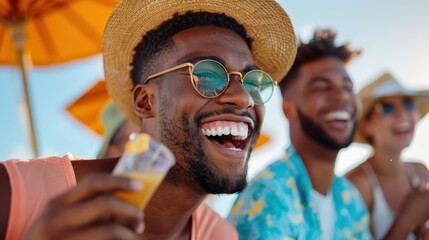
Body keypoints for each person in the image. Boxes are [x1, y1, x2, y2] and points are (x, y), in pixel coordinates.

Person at [0, 0, 297, 239]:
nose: (243, 97)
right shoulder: (15, 193)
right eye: (206, 74)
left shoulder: (219, 235)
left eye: (252, 81)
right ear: (145, 101)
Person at [228, 29, 372, 239]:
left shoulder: (350, 199)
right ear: (289, 110)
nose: (341, 96)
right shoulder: (269, 195)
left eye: (347, 86)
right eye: (322, 87)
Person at [346, 72, 429, 240]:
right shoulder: (357, 184)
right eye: (386, 108)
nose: (402, 114)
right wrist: (405, 222)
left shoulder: (420, 171)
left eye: (408, 104)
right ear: (365, 126)